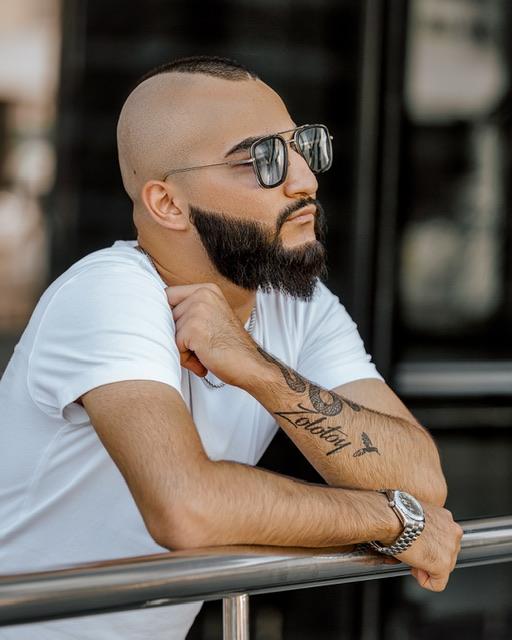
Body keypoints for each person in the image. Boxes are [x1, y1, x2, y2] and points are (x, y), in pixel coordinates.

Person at [0, 56, 462, 639]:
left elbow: (422, 483)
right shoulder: (109, 291)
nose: (305, 180)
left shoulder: (297, 304)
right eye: (262, 160)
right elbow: (186, 509)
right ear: (168, 204)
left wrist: (258, 369)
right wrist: (389, 519)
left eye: (302, 147)